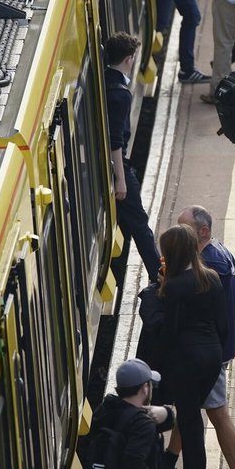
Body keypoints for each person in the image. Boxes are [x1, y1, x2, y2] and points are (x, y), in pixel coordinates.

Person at [166, 205, 235, 469]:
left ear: (203, 232)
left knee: (217, 412)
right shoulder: (219, 253)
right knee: (190, 408)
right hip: (217, 349)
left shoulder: (208, 265)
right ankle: (169, 461)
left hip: (211, 353)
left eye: (185, 230)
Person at [158, 224, 227, 469]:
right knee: (192, 417)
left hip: (185, 361)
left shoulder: (173, 287)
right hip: (211, 358)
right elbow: (223, 326)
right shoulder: (212, 277)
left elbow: (169, 332)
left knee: (191, 423)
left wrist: (158, 367)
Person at [105, 32, 162, 282]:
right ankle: (159, 275)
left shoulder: (103, 79)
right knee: (139, 223)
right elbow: (115, 142)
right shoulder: (120, 93)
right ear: (129, 59)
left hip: (110, 165)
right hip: (118, 167)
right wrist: (121, 180)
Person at [88, 359, 180, 469]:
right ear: (144, 388)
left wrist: (166, 413)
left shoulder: (105, 409)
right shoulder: (142, 424)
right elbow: (134, 463)